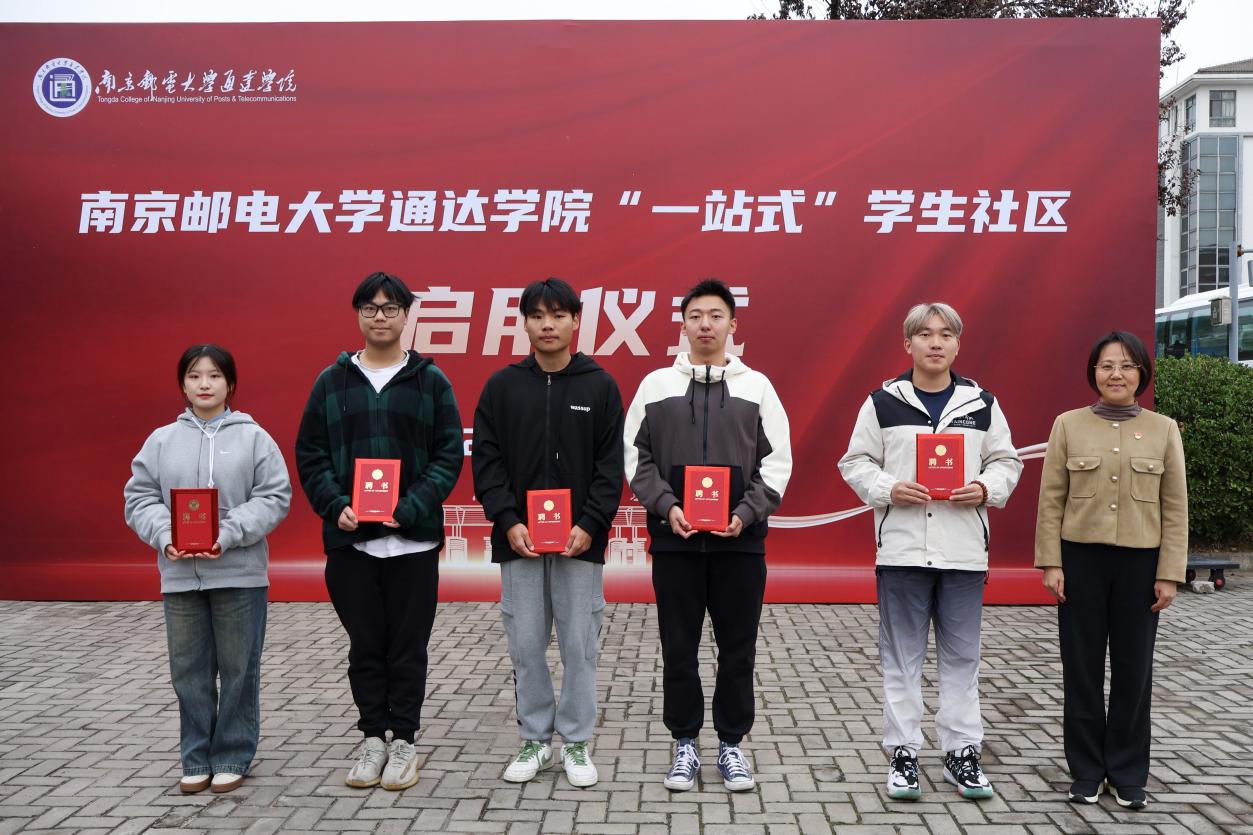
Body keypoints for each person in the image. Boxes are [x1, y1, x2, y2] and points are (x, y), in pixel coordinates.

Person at [838, 302, 1022, 802]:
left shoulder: (981, 403)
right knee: (902, 659)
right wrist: (888, 488)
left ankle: (962, 752)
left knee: (962, 658)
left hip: (963, 553)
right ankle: (903, 752)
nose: (935, 343)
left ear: (958, 344)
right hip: (902, 552)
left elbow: (1006, 461)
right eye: (924, 334)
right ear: (908, 344)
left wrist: (984, 488)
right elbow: (855, 461)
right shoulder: (883, 402)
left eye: (945, 334)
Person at [295, 272, 464, 791]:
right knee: (365, 646)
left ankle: (405, 740)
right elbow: (311, 454)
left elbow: (448, 454)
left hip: (413, 541)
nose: (380, 316)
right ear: (358, 315)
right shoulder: (332, 382)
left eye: (391, 308)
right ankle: (373, 737)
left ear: (407, 315)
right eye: (370, 308)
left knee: (408, 647)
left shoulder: (431, 382)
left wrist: (411, 506)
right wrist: (335, 505)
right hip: (351, 542)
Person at [623, 278, 791, 793]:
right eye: (695, 316)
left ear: (732, 324)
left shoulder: (757, 387)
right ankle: (684, 743)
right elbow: (636, 459)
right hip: (675, 543)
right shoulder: (655, 386)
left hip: (740, 544)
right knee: (679, 647)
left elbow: (777, 464)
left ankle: (732, 745)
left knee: (738, 649)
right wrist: (667, 506)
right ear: (683, 324)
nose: (705, 325)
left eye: (716, 316)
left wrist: (745, 512)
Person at [472, 277, 625, 788]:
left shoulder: (599, 386)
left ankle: (576, 741)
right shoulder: (502, 387)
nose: (548, 325)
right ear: (524, 323)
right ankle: (535, 739)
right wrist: (508, 520)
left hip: (581, 542)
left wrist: (591, 523)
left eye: (558, 315)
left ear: (576, 320)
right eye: (537, 315)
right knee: (526, 643)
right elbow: (487, 461)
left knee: (580, 644)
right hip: (519, 541)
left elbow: (611, 466)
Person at [124, 344, 291, 795]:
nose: (204, 384)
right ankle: (195, 756)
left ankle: (233, 754)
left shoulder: (255, 439)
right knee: (189, 673)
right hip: (180, 577)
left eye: (214, 376)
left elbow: (274, 497)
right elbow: (139, 498)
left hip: (239, 574)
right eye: (195, 376)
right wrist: (166, 535)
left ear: (230, 384)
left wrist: (228, 533)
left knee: (239, 670)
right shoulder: (161, 441)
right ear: (183, 385)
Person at [1035, 331, 1186, 811]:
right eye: (1106, 366)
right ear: (1093, 373)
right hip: (1080, 562)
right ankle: (1085, 771)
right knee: (1080, 669)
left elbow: (1175, 507)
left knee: (1133, 671)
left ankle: (1126, 772)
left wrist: (1169, 572)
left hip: (1141, 565)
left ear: (1141, 372)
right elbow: (1051, 500)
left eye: (1126, 365)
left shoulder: (1164, 429)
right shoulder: (1068, 425)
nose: (1116, 374)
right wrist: (1051, 562)